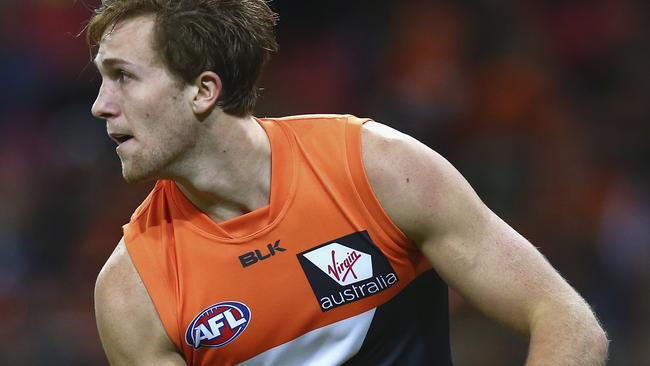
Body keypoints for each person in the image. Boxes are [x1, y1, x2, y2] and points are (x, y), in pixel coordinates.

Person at [87, 1, 608, 365]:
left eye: (124, 76)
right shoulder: (134, 291)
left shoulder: (375, 169)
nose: (100, 104)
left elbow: (564, 320)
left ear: (203, 90)